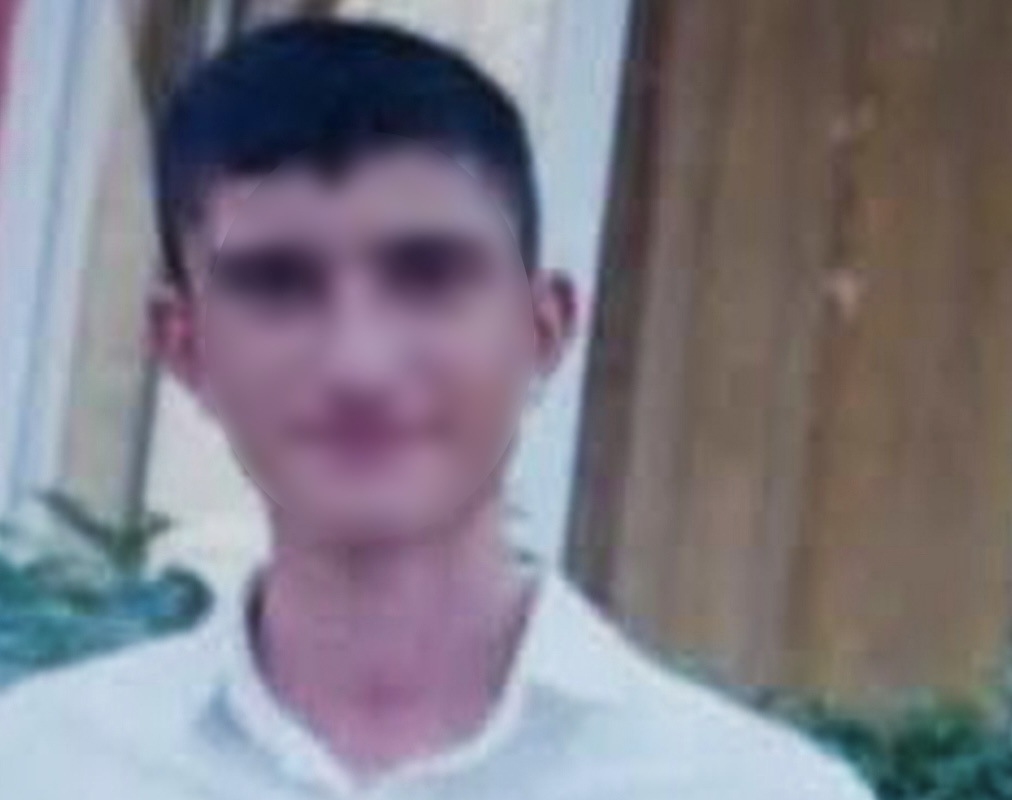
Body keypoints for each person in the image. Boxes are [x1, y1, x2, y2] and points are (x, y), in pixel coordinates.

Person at [0, 20, 873, 800]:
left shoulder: (754, 788)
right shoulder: (40, 766)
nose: (359, 363)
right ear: (184, 345)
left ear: (542, 328)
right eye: (278, 283)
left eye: (427, 275)